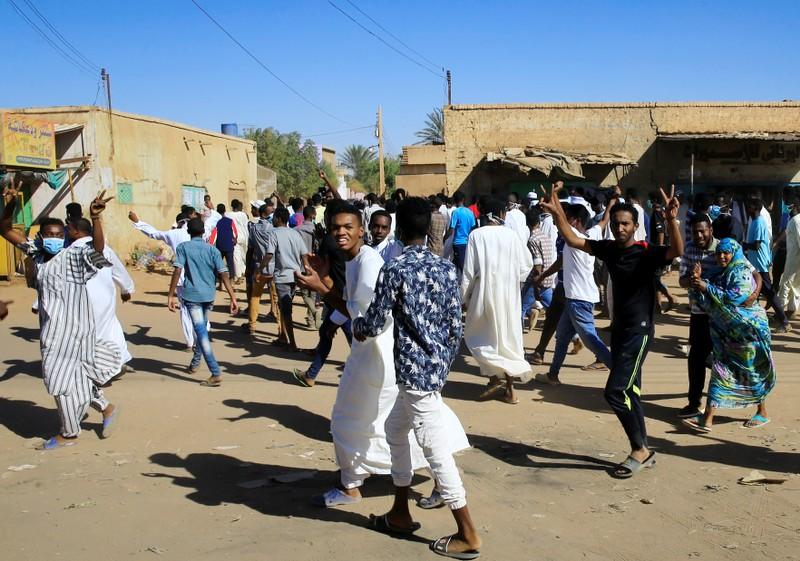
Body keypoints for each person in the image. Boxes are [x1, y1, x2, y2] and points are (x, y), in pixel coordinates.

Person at [296, 204, 469, 509]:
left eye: (348, 227)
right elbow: (454, 324)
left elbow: (368, 321)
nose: (341, 233)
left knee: (352, 421)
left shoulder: (382, 264)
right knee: (404, 426)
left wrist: (322, 290)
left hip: (383, 359)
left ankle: (457, 515)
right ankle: (409, 497)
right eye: (335, 227)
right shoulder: (441, 266)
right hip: (408, 362)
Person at [352, 197, 481, 560]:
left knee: (435, 449)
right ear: (428, 229)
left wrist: (356, 326)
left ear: (397, 229)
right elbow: (456, 324)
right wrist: (442, 364)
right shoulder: (445, 269)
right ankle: (400, 511)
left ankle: (468, 532)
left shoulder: (394, 269)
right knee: (395, 430)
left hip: (414, 372)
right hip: (434, 369)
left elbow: (375, 322)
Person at [540, 182, 683, 478]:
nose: (620, 228)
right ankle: (643, 448)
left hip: (639, 333)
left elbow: (676, 250)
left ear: (634, 226)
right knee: (631, 391)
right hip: (618, 331)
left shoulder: (646, 253)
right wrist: (558, 215)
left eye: (626, 224)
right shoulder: (609, 249)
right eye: (617, 224)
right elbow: (574, 240)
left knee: (616, 392)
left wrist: (670, 220)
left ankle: (639, 450)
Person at [1, 186, 121, 449]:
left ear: (65, 235)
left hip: (76, 332)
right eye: (49, 234)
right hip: (52, 332)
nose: (54, 238)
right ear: (41, 237)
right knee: (72, 378)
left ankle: (69, 433)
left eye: (59, 234)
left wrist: (97, 217)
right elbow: (5, 228)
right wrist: (9, 204)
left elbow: (98, 249)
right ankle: (106, 407)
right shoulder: (38, 254)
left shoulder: (74, 255)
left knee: (57, 380)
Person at [683, 238, 776, 432]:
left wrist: (705, 287)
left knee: (750, 371)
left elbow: (734, 298)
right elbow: (702, 293)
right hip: (727, 335)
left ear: (734, 253)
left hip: (749, 332)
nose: (722, 256)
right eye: (719, 253)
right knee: (721, 371)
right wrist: (698, 281)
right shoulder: (719, 272)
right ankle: (707, 419)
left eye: (726, 253)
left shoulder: (740, 271)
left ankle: (763, 412)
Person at [534, 202, 614, 385]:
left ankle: (621, 375)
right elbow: (603, 221)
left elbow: (559, 219)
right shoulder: (590, 234)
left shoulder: (574, 237)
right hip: (575, 298)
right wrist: (611, 203)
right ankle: (553, 374)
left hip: (579, 300)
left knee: (590, 340)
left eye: (567, 219)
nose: (561, 223)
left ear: (576, 221)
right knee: (562, 337)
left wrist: (554, 199)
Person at [462, 198, 533, 404]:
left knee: (482, 338)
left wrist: (463, 297)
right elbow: (525, 265)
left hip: (484, 294)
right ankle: (509, 389)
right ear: (502, 214)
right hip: (509, 297)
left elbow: (468, 272)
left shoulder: (477, 235)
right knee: (507, 340)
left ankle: (495, 379)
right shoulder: (511, 236)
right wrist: (513, 281)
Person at [168, 218, 238, 387]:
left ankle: (215, 372)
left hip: (192, 296)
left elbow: (178, 270)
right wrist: (233, 296)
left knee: (201, 332)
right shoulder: (212, 250)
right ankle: (195, 361)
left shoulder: (184, 247)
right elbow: (223, 273)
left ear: (188, 232)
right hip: (208, 296)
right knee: (201, 331)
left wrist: (170, 294)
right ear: (203, 232)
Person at [292, 200, 353, 387]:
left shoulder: (330, 238)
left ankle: (313, 374)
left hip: (338, 294)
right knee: (334, 331)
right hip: (343, 291)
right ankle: (311, 374)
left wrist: (318, 283)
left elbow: (325, 267)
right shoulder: (349, 238)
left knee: (340, 332)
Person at [69, 217, 135, 375]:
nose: (67, 231)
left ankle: (100, 368)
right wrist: (126, 289)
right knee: (111, 328)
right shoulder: (105, 250)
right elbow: (118, 270)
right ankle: (119, 361)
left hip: (82, 299)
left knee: (92, 334)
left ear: (77, 231)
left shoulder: (70, 252)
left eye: (69, 228)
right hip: (105, 298)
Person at [129, 210, 195, 348]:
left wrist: (137, 221)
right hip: (200, 276)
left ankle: (190, 341)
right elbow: (214, 220)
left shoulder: (173, 234)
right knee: (200, 306)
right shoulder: (199, 231)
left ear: (178, 223)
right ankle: (202, 335)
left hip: (182, 276)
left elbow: (154, 233)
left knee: (185, 308)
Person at [256, 207, 309, 351]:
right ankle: (282, 336)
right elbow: (304, 254)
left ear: (279, 219)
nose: (272, 220)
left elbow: (269, 254)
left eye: (274, 218)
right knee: (285, 307)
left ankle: (291, 343)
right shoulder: (295, 233)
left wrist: (260, 270)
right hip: (295, 276)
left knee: (286, 311)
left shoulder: (274, 234)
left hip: (283, 277)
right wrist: (307, 269)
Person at [744, 197, 790, 332]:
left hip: (759, 264)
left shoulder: (759, 222)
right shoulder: (754, 221)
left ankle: (784, 321)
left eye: (749, 206)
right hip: (755, 263)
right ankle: (755, 318)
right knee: (754, 291)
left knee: (769, 293)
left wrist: (743, 244)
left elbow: (756, 245)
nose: (747, 209)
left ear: (755, 208)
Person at [246, 203, 281, 336]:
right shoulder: (273, 229)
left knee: (255, 296)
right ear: (266, 214)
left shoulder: (253, 228)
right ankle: (280, 327)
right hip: (274, 266)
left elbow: (250, 249)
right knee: (276, 296)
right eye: (271, 212)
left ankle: (252, 325)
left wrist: (249, 267)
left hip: (259, 266)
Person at [650, 201, 678, 312]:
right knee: (655, 278)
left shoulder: (657, 213)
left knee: (654, 278)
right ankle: (658, 305)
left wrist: (659, 249)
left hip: (658, 251)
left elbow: (660, 231)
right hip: (660, 250)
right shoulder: (662, 213)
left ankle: (670, 297)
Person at [296, 206, 321, 329]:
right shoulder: (316, 230)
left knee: (304, 293)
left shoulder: (297, 230)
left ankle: (313, 313)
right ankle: (311, 321)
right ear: (313, 215)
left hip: (301, 264)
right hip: (315, 265)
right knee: (313, 293)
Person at [776, 196, 800, 315]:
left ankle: (780, 314)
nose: (786, 207)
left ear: (794, 206)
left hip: (795, 259)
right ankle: (791, 310)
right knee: (794, 285)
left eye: (787, 204)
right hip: (793, 257)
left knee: (785, 283)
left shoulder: (796, 221)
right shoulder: (793, 219)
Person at [447, 191, 477, 274]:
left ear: (454, 200)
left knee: (461, 266)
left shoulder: (456, 212)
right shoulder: (470, 212)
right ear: (463, 200)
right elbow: (473, 227)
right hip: (468, 242)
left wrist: (444, 238)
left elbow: (451, 229)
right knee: (460, 263)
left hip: (458, 243)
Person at [208, 204, 238, 276]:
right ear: (225, 211)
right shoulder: (230, 221)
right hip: (229, 245)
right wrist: (235, 240)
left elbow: (213, 235)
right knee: (230, 263)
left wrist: (210, 244)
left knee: (218, 264)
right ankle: (232, 279)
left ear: (217, 211)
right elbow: (235, 233)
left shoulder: (216, 222)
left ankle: (220, 282)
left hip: (219, 246)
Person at [228, 199, 250, 284]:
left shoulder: (228, 215)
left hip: (235, 237)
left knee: (237, 257)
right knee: (244, 255)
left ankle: (239, 275)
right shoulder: (243, 214)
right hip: (245, 237)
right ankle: (244, 271)